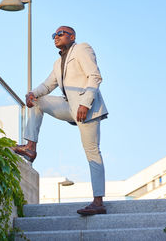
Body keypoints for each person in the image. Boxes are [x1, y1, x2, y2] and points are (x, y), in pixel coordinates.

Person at [11, 26, 108, 216]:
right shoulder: (58, 63)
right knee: (38, 102)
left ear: (72, 36)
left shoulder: (82, 49)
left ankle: (98, 201)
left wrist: (85, 103)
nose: (56, 37)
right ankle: (30, 147)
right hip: (69, 107)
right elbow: (48, 85)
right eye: (54, 35)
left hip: (86, 109)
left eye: (61, 33)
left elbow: (95, 76)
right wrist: (32, 94)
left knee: (92, 152)